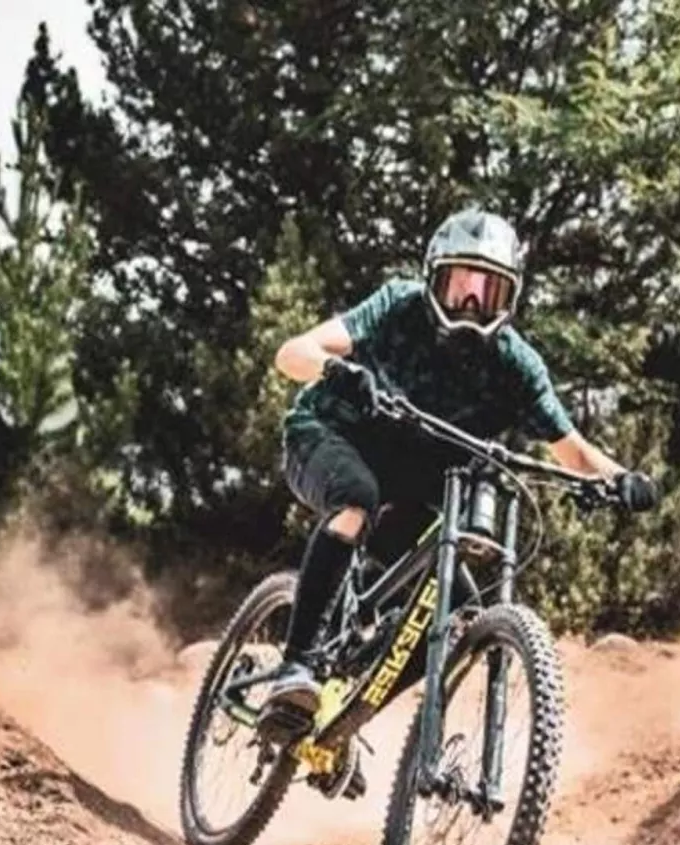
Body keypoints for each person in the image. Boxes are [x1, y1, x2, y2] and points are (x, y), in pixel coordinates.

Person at [259, 207, 659, 741]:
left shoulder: (516, 366)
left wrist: (622, 479)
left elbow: (574, 451)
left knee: (460, 608)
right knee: (356, 498)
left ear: (510, 298)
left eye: (487, 291)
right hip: (331, 436)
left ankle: (343, 717)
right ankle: (296, 667)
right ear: (432, 280)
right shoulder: (398, 306)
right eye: (459, 286)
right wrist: (337, 370)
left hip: (413, 477)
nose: (470, 303)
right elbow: (292, 353)